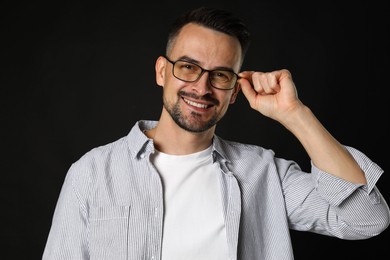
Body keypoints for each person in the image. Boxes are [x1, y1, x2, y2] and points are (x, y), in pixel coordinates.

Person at [42, 6, 389, 260]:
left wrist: (295, 115)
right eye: (188, 67)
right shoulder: (91, 172)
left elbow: (366, 219)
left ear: (235, 90)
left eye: (221, 75)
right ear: (162, 71)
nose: (202, 87)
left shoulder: (264, 174)